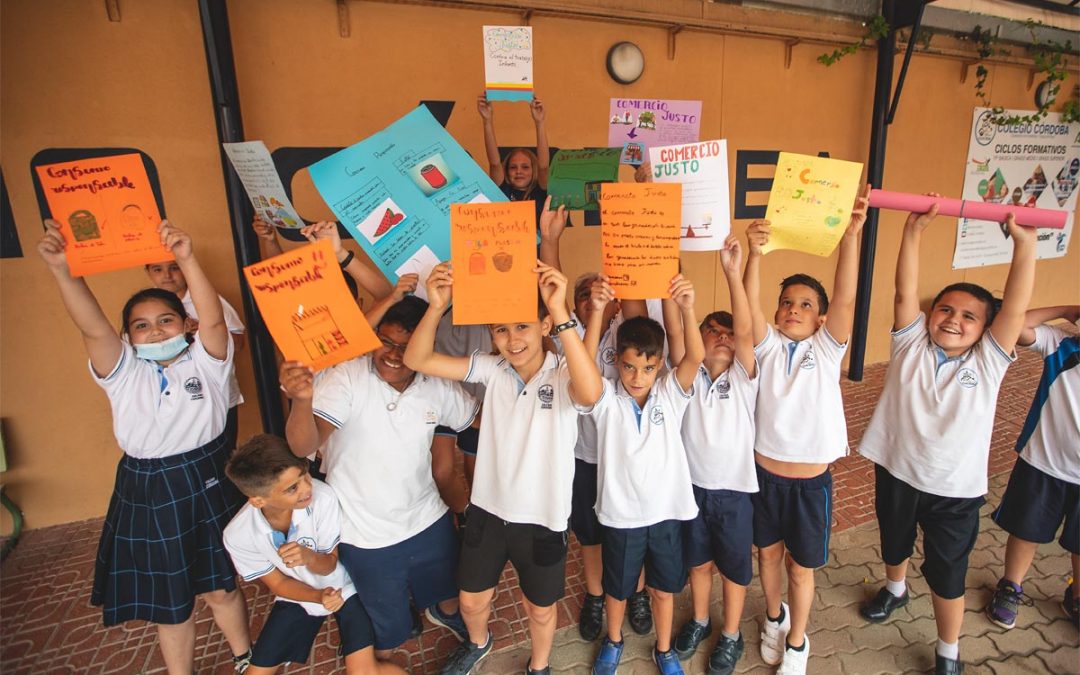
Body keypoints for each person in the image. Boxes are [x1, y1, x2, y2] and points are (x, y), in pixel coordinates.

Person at [39, 219, 252, 673]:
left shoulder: (208, 362)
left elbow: (213, 318)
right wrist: (63, 271)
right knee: (169, 600)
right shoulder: (122, 372)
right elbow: (93, 327)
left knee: (221, 586)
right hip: (149, 486)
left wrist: (187, 257)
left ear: (184, 324)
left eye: (165, 321)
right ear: (127, 337)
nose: (154, 332)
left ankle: (244, 656)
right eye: (141, 326)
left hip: (207, 474)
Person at [856, 202, 1037, 675]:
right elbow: (904, 292)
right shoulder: (911, 343)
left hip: (953, 490)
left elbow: (1014, 307)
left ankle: (948, 651)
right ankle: (895, 589)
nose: (953, 319)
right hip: (896, 470)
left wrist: (1026, 244)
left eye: (969, 316)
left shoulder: (989, 362)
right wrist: (912, 232)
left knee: (947, 572)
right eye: (945, 309)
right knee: (894, 542)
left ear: (986, 330)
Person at [404, 252, 603, 675]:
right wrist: (437, 305)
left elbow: (589, 393)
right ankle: (478, 643)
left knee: (540, 611)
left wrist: (559, 308)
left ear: (545, 326)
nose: (513, 339)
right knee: (473, 600)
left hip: (543, 519)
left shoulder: (565, 371)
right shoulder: (491, 368)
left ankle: (541, 665)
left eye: (523, 326)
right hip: (488, 512)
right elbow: (417, 359)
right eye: (501, 329)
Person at [281, 293, 479, 655]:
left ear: (425, 346)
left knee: (447, 593)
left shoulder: (437, 384)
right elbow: (301, 445)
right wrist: (301, 400)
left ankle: (445, 614)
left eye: (406, 347)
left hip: (427, 518)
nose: (392, 354)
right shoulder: (347, 378)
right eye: (385, 341)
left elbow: (475, 419)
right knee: (389, 633)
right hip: (365, 534)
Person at [742, 184, 870, 675]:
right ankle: (772, 618)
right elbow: (748, 302)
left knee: (802, 567)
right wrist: (754, 255)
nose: (794, 309)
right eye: (787, 303)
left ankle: (797, 641)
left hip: (809, 484)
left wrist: (851, 237)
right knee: (767, 556)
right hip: (766, 477)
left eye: (805, 305)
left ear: (820, 319)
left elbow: (846, 296)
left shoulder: (826, 349)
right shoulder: (769, 345)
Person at [585, 273, 704, 675]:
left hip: (665, 516)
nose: (637, 376)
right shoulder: (604, 399)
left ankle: (665, 649)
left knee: (663, 590)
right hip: (621, 517)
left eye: (648, 367)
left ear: (659, 366)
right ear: (616, 361)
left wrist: (687, 308)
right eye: (629, 366)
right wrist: (599, 311)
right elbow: (582, 369)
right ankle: (614, 640)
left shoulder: (671, 393)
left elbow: (694, 358)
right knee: (617, 591)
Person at [223, 435, 406, 675]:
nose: (308, 488)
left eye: (305, 475)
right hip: (299, 594)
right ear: (258, 500)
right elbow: (278, 584)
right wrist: (317, 596)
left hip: (347, 586)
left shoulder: (323, 498)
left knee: (365, 672)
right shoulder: (238, 534)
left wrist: (309, 557)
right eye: (292, 488)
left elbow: (330, 565)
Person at [672, 236, 759, 675]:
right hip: (692, 491)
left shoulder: (745, 379)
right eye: (713, 332)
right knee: (699, 562)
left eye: (728, 333)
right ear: (699, 340)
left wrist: (731, 272)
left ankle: (730, 634)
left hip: (734, 494)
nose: (723, 338)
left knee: (735, 568)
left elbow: (745, 332)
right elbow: (678, 331)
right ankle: (702, 621)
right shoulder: (685, 378)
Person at [986, 305, 1079, 630]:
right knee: (1026, 530)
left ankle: (1077, 598)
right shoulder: (1061, 345)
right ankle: (1011, 585)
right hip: (1044, 462)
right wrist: (1067, 309)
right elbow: (1014, 324)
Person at [145, 256, 247, 448]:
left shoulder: (208, 301)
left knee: (222, 457)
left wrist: (202, 329)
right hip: (169, 400)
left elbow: (239, 344)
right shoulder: (144, 309)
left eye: (174, 267)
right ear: (148, 273)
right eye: (157, 269)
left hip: (217, 394)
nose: (167, 276)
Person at [477, 93, 550, 225]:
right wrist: (487, 121)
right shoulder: (503, 189)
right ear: (506, 171)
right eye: (513, 167)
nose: (518, 171)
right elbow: (494, 163)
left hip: (537, 246)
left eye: (525, 167)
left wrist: (539, 123)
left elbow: (543, 167)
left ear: (534, 170)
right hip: (504, 245)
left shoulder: (540, 192)